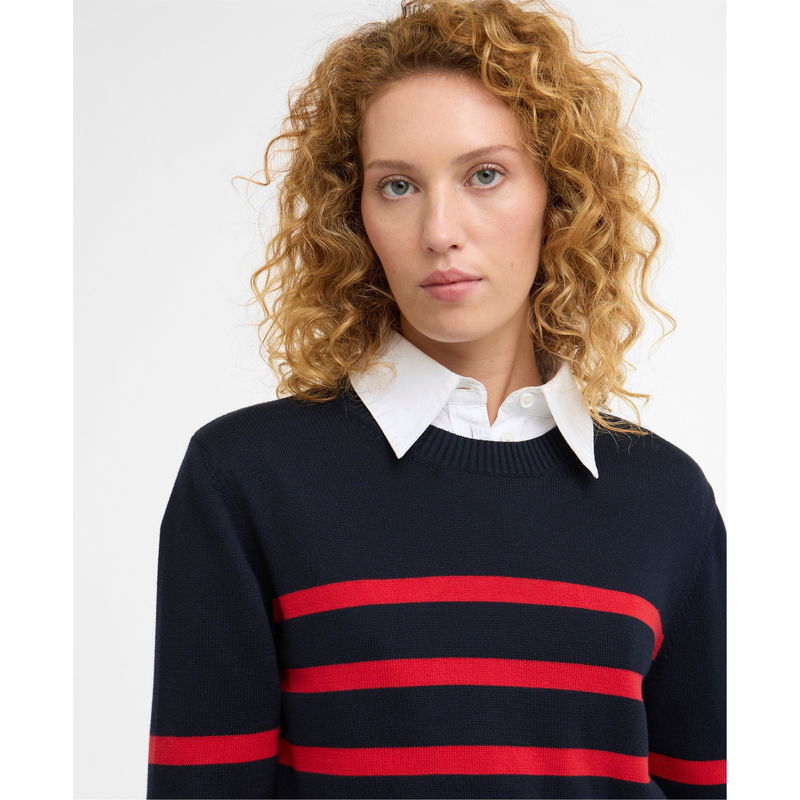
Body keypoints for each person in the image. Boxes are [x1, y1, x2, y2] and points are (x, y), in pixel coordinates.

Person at [146, 0, 726, 798]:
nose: (439, 230)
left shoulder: (666, 498)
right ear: (356, 216)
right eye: (397, 186)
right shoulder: (245, 478)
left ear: (559, 197)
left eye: (485, 174)